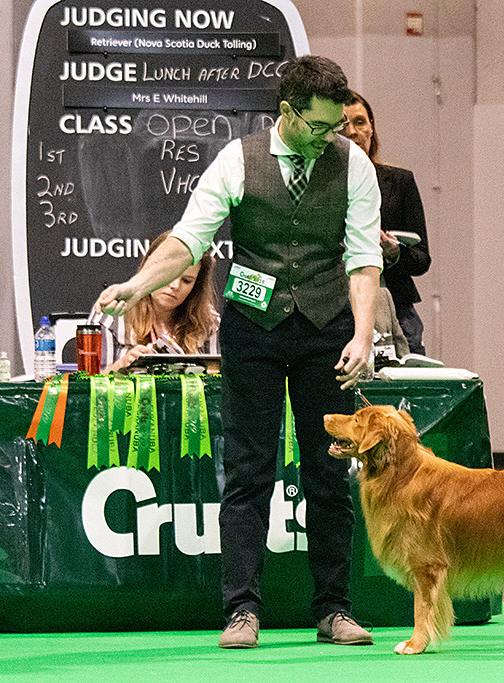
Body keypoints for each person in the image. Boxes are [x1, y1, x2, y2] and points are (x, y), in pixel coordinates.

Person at [94, 55, 382, 649]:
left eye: (338, 127)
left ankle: (334, 609)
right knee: (249, 472)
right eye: (320, 126)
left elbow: (362, 259)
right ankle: (242, 610)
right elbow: (188, 240)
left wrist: (360, 334)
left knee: (329, 472)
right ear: (288, 111)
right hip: (255, 325)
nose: (333, 136)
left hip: (328, 326)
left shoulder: (353, 166)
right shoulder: (237, 160)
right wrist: (136, 285)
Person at [343, 91, 431, 355]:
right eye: (342, 125)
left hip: (396, 311)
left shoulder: (400, 182)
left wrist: (393, 254)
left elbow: (422, 259)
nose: (352, 132)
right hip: (336, 312)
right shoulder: (319, 187)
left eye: (360, 122)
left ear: (372, 128)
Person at [97, 230, 219, 373]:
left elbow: (217, 382)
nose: (175, 285)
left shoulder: (209, 322)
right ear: (149, 270)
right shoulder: (111, 313)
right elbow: (87, 386)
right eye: (168, 276)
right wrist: (122, 365)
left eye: (187, 281)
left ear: (196, 285)